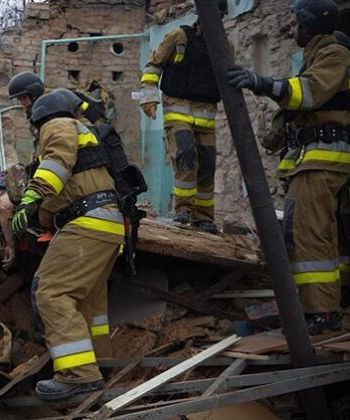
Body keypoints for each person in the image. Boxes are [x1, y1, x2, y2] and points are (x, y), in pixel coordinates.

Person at [227, 0, 350, 334]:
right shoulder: (318, 55)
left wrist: (261, 83)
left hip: (321, 161)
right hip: (313, 160)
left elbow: (308, 94)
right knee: (329, 236)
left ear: (311, 25)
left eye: (295, 24)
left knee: (307, 234)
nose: (290, 30)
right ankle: (335, 301)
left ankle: (321, 311)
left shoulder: (335, 54)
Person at [12, 90, 124, 401]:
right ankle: (100, 363)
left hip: (86, 223)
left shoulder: (57, 125)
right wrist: (45, 216)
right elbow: (67, 187)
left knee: (52, 292)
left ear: (41, 118)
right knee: (90, 301)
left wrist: (30, 199)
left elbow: (57, 166)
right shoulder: (84, 131)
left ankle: (78, 375)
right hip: (108, 223)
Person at [139, 0, 230, 234]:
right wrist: (148, 98)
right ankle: (183, 210)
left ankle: (204, 218)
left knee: (207, 165)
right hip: (178, 107)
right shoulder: (178, 36)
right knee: (186, 155)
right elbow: (153, 66)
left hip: (207, 116)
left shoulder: (224, 47)